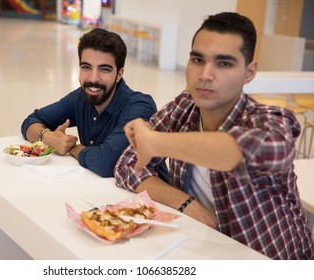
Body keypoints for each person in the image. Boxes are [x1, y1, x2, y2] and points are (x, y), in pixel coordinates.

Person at [114, 12, 314, 259]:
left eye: (224, 63)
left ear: (249, 72)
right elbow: (127, 167)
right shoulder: (184, 107)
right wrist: (187, 203)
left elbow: (254, 150)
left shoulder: (270, 120)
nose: (205, 74)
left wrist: (156, 142)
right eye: (198, 59)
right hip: (203, 249)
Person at [21, 28, 159, 177]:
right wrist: (47, 138)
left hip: (147, 198)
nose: (93, 78)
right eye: (86, 67)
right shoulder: (80, 97)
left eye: (104, 69)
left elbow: (105, 163)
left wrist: (72, 148)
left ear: (119, 74)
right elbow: (30, 121)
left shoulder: (139, 107)